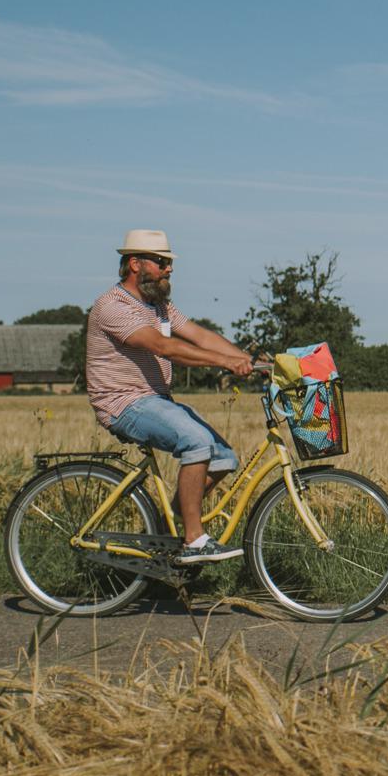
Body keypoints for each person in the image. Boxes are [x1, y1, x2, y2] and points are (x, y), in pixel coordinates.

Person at [84, 230, 260, 563]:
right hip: (124, 403)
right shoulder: (113, 306)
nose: (170, 269)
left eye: (169, 262)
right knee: (197, 441)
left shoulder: (159, 306)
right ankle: (194, 540)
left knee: (223, 457)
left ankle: (172, 527)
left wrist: (248, 360)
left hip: (155, 400)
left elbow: (200, 336)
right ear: (135, 264)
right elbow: (164, 347)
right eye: (161, 262)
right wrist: (224, 362)